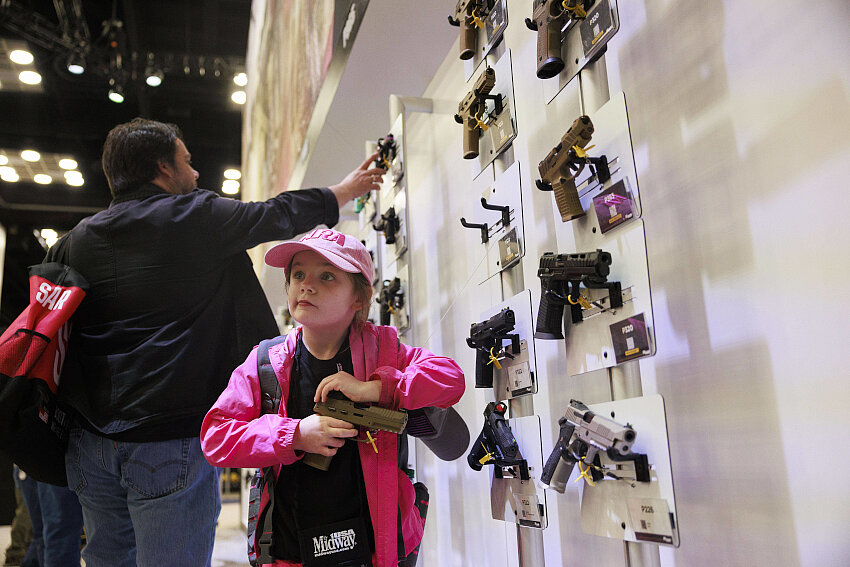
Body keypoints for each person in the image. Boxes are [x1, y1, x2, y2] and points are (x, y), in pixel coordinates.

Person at [43, 118, 383, 567]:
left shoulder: (75, 241)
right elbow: (275, 214)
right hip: (166, 438)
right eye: (187, 160)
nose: (196, 173)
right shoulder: (192, 216)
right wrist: (342, 191)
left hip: (87, 444)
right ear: (163, 168)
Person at [200, 229, 465, 567]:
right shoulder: (266, 362)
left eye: (326, 276)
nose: (306, 286)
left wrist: (376, 389)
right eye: (298, 274)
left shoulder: (384, 350)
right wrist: (296, 435)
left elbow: (450, 379)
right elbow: (215, 438)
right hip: (288, 551)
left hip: (376, 549)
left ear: (359, 297)